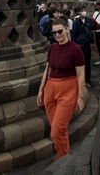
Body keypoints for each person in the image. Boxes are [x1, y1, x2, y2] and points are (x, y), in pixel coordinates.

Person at [37, 18, 85, 159]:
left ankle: (63, 159)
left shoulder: (75, 49)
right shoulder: (52, 48)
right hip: (51, 87)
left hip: (68, 88)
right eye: (54, 33)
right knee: (59, 129)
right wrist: (41, 90)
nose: (57, 35)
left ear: (67, 29)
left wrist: (80, 97)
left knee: (56, 132)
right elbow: (48, 69)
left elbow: (81, 75)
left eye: (60, 31)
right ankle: (63, 158)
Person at [71, 8, 95, 87]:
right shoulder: (76, 22)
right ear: (78, 12)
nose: (84, 12)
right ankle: (79, 80)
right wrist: (74, 45)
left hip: (87, 44)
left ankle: (87, 79)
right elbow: (73, 34)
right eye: (81, 11)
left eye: (84, 10)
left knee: (87, 63)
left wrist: (92, 42)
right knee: (79, 63)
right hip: (79, 45)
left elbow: (91, 32)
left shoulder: (88, 20)